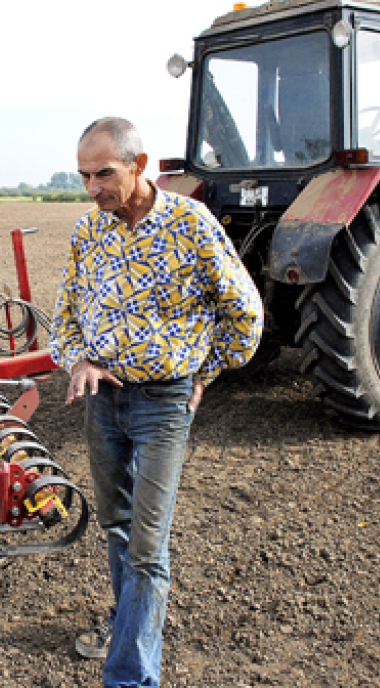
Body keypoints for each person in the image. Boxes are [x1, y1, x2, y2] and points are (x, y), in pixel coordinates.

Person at [49, 117, 263, 687]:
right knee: (117, 525)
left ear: (140, 164)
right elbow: (65, 314)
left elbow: (245, 313)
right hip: (102, 402)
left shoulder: (190, 224)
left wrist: (207, 371)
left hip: (163, 403)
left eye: (103, 174)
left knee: (147, 547)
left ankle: (129, 677)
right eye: (83, 176)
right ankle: (128, 625)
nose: (92, 188)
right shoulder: (88, 232)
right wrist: (79, 361)